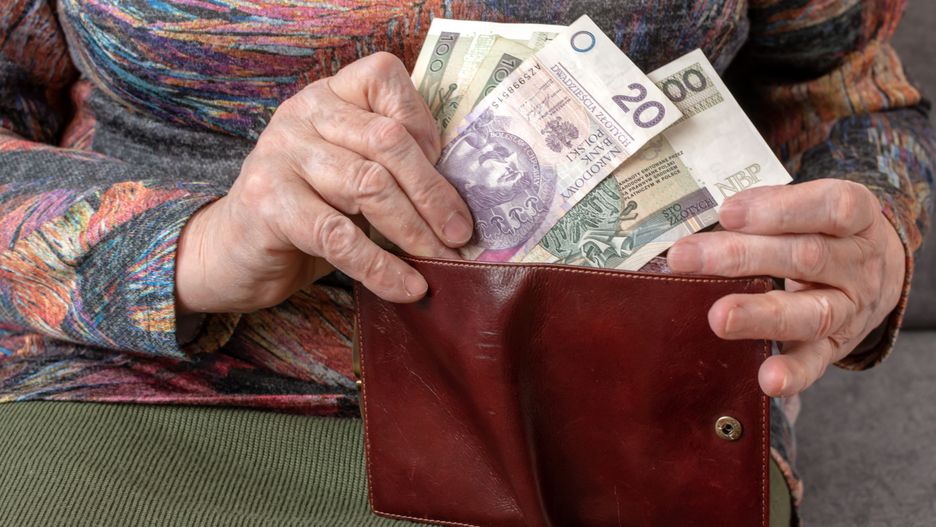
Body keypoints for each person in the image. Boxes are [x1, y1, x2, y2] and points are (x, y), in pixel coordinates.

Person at [0, 1, 931, 525]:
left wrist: (874, 233)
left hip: (614, 412)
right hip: (128, 388)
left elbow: (845, 94)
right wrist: (187, 243)